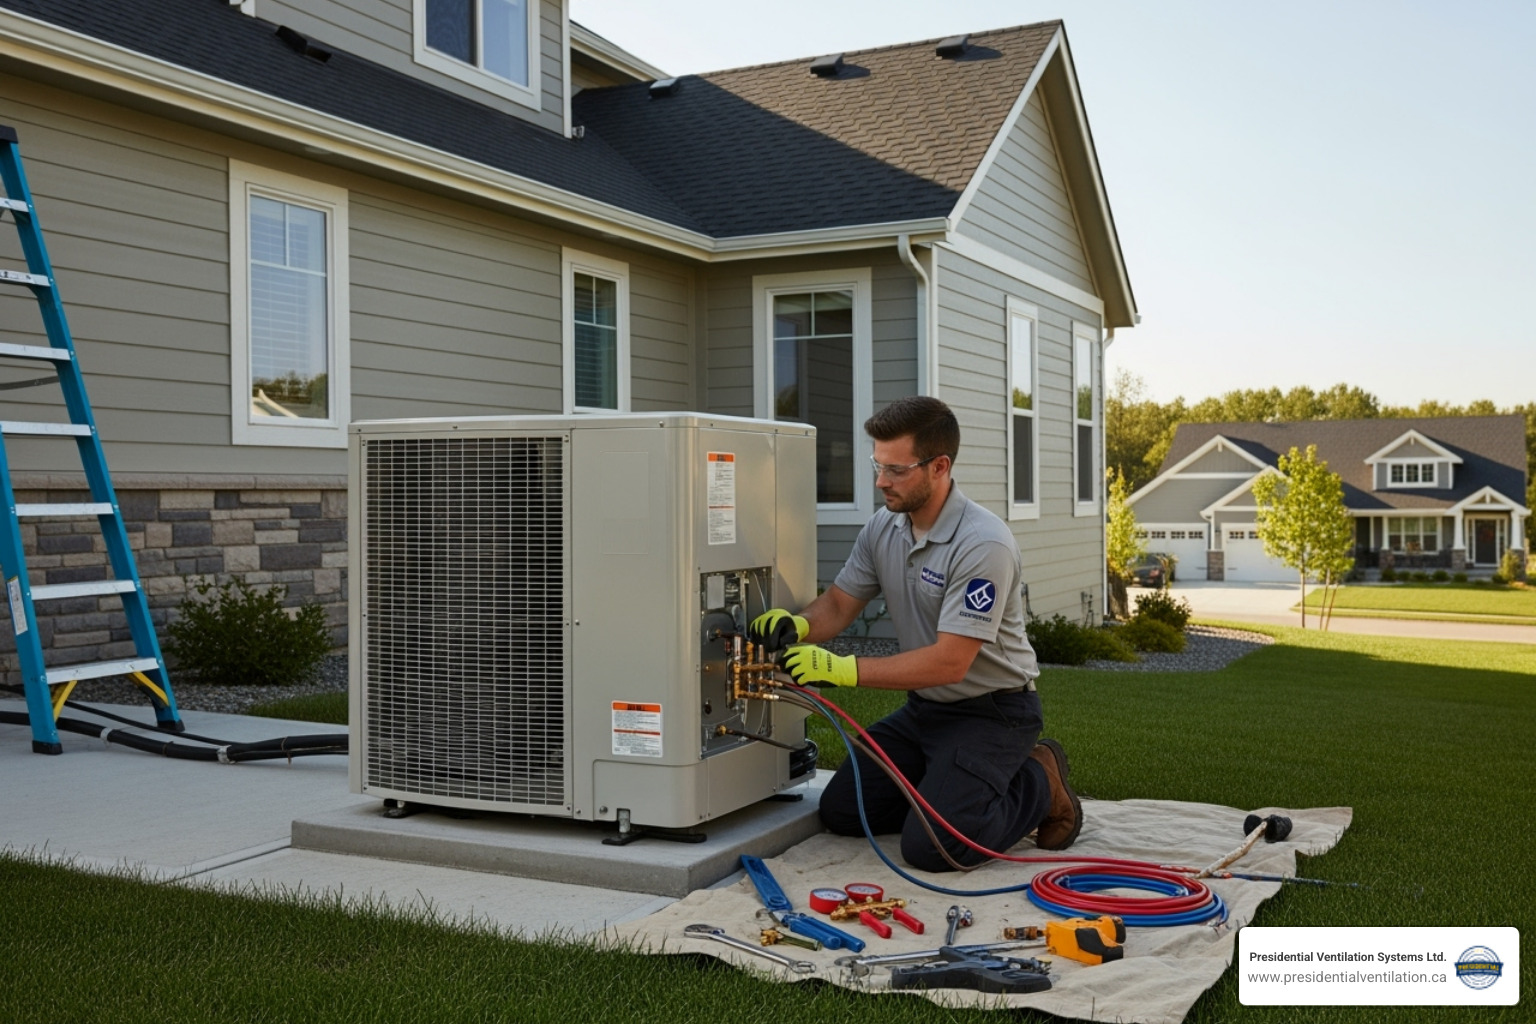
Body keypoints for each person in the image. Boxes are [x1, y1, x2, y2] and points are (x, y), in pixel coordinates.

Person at [747, 396, 1080, 872]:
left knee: (934, 849)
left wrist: (841, 669)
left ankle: (1038, 782)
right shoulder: (885, 526)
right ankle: (945, 789)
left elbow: (950, 662)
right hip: (925, 711)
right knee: (843, 811)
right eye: (877, 465)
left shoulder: (982, 544)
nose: (881, 481)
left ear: (939, 466)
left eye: (896, 470)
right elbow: (841, 603)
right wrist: (799, 624)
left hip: (993, 713)